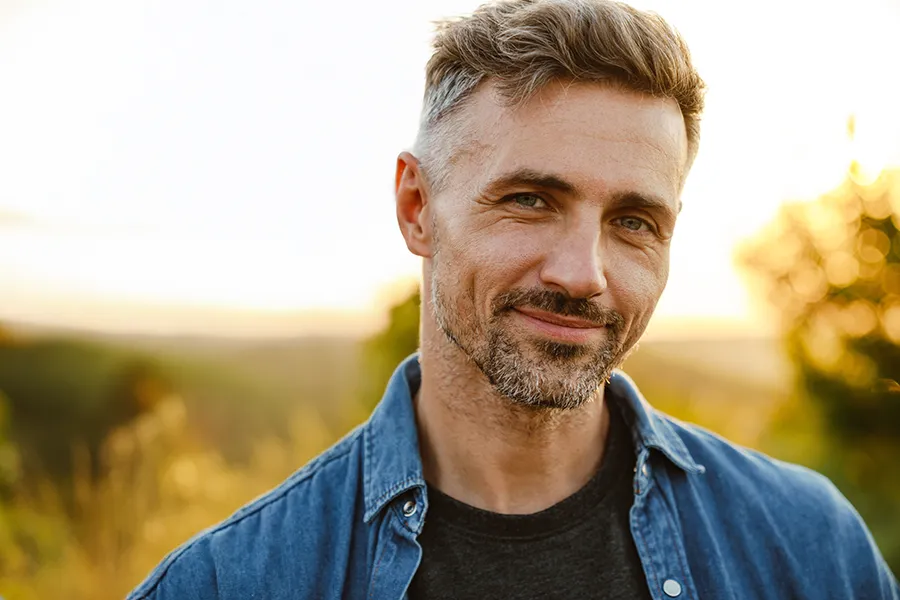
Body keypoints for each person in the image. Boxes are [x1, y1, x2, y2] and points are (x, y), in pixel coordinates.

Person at [128, 0, 900, 598]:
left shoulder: (809, 546)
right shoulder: (232, 582)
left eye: (634, 221)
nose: (582, 273)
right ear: (416, 207)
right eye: (531, 199)